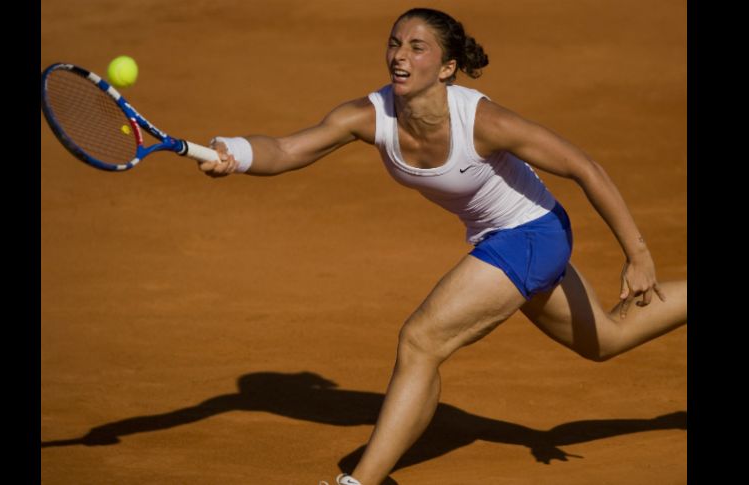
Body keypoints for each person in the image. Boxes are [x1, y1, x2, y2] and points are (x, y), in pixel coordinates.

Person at [199, 8, 687, 485]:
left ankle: (361, 482)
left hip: (532, 234)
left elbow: (584, 167)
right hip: (505, 239)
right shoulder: (369, 115)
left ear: (447, 67)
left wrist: (637, 253)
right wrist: (235, 154)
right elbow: (286, 150)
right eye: (394, 43)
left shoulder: (482, 120)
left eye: (417, 47)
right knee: (606, 341)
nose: (399, 56)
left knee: (421, 341)